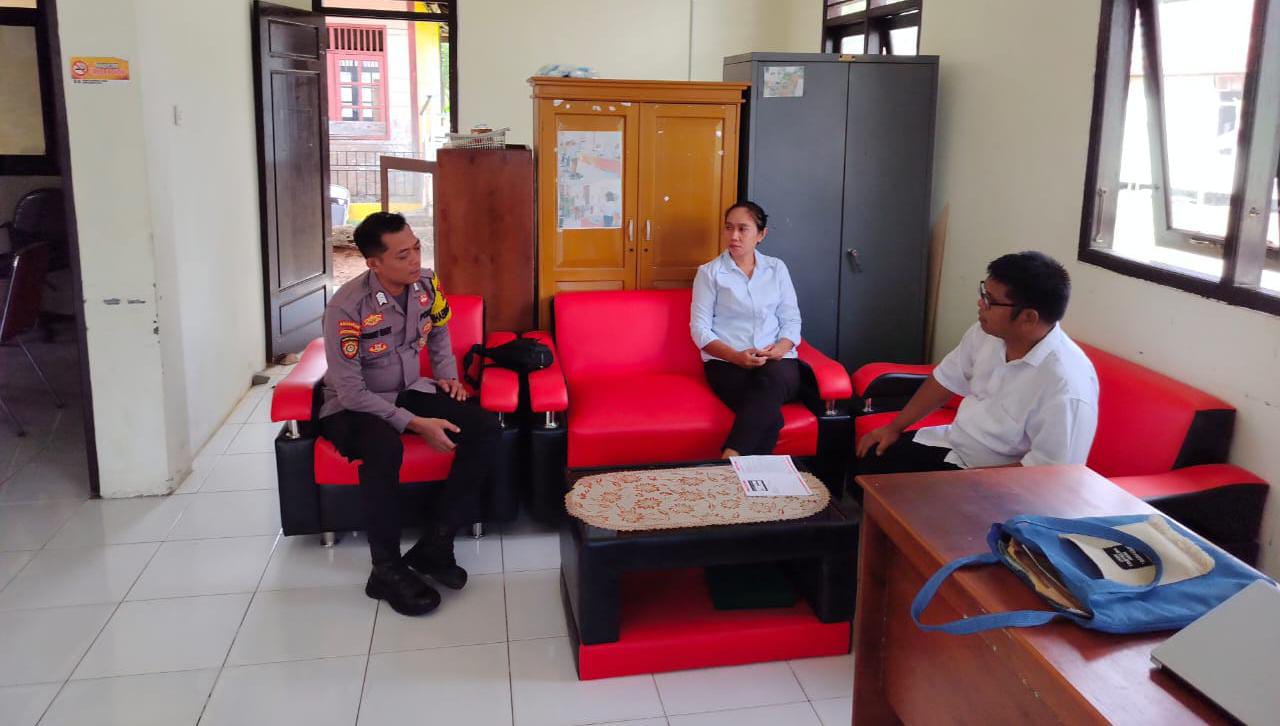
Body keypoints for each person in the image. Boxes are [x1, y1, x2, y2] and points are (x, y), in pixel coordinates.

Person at [319, 212, 502, 616]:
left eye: (416, 247)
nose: (415, 259)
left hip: (408, 389)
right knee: (384, 448)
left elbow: (439, 331)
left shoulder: (427, 285)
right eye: (402, 255)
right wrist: (415, 424)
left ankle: (436, 542)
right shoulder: (346, 307)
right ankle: (384, 569)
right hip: (354, 405)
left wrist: (448, 377)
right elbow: (351, 392)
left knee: (485, 427)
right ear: (374, 263)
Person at [856, 251, 1099, 474]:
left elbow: (1050, 474)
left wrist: (966, 485)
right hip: (954, 447)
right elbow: (945, 379)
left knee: (900, 495)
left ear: (1028, 318)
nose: (980, 304)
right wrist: (893, 428)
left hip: (1001, 484)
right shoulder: (987, 333)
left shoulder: (1066, 385)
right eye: (983, 293)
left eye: (990, 300)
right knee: (871, 459)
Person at [691, 201, 803, 458]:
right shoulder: (709, 273)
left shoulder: (777, 269)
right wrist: (735, 356)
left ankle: (730, 458)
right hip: (726, 363)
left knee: (771, 379)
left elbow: (791, 319)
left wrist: (781, 348)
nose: (734, 236)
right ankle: (742, 472)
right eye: (729, 228)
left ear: (761, 234)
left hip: (777, 362)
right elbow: (700, 329)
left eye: (743, 229)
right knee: (770, 418)